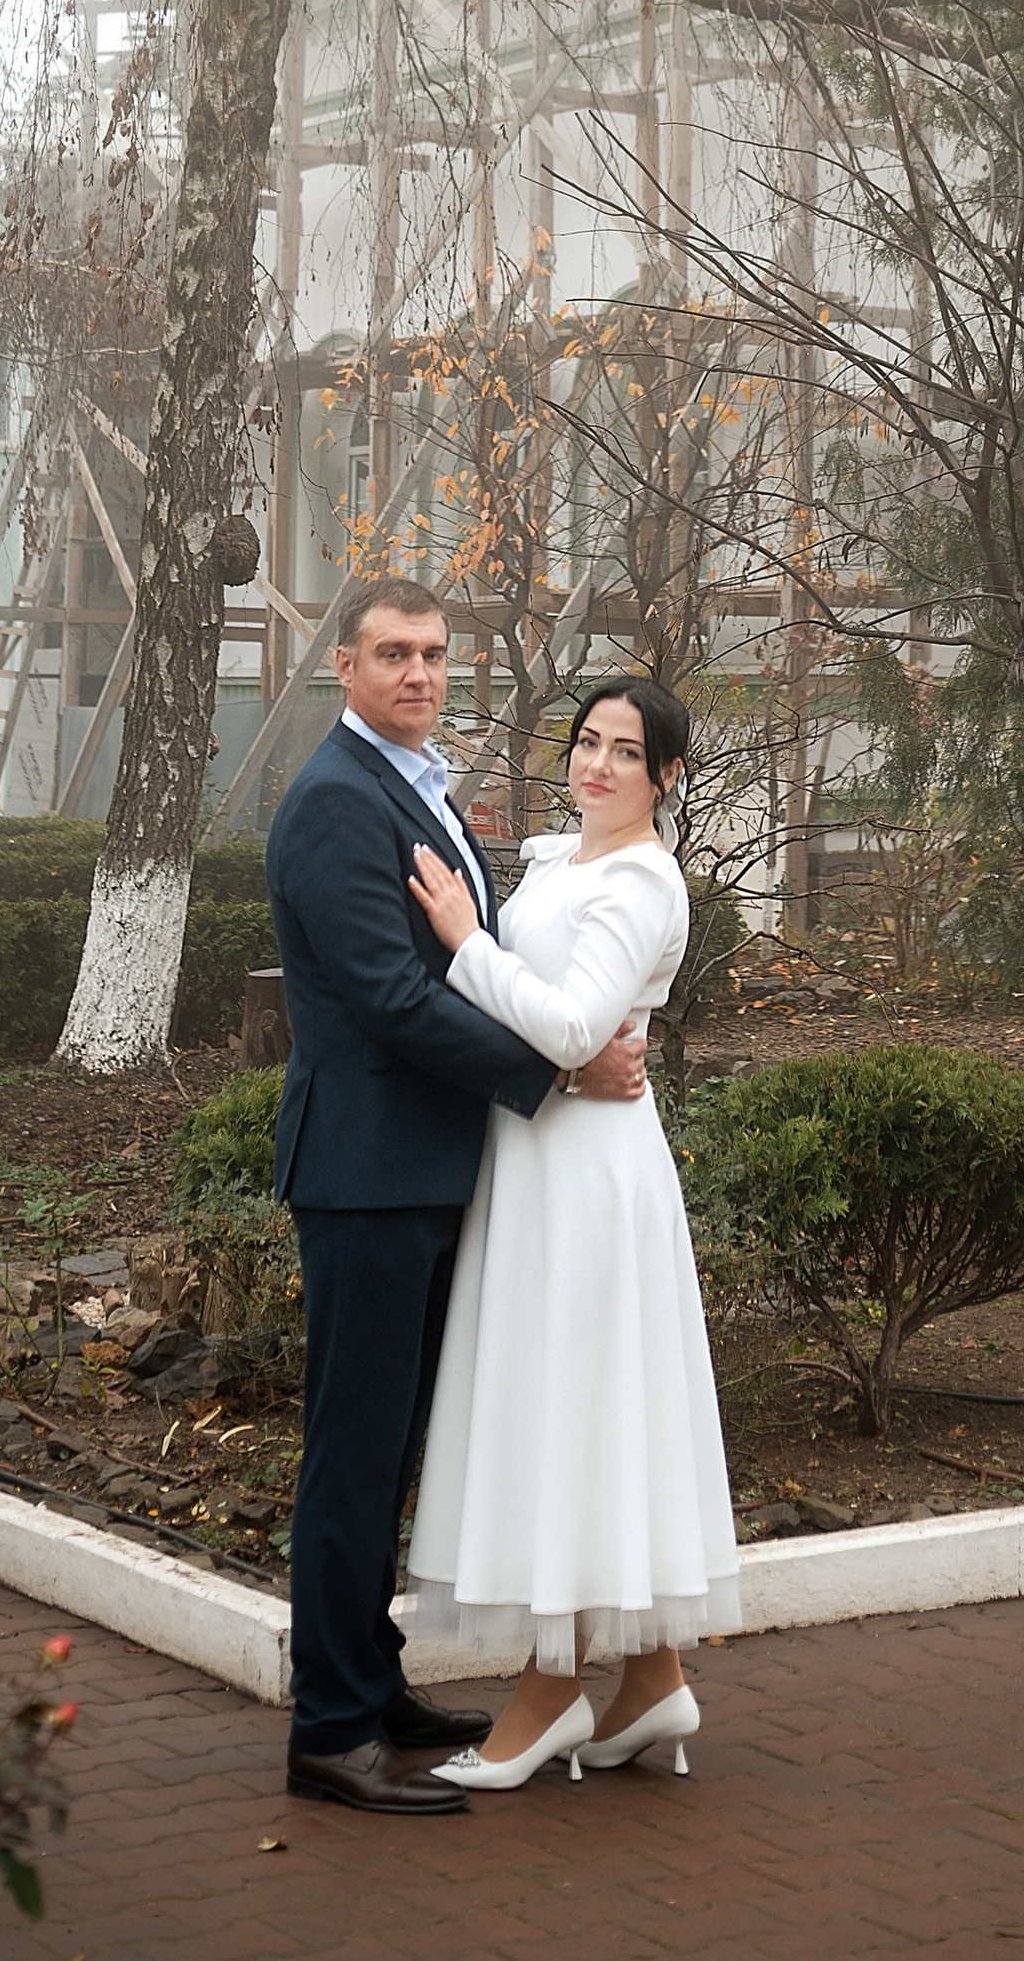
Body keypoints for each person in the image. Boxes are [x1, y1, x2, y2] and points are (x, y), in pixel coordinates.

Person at [264, 578, 651, 1817]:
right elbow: (389, 995)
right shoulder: (336, 800)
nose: (419, 674)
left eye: (433, 655)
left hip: (423, 1168)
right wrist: (559, 1067)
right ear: (344, 666)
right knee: (352, 1455)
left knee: (386, 1455)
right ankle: (328, 1729)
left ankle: (373, 1691)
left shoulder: (412, 781)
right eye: (393, 654)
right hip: (368, 1173)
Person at [401, 674, 740, 1791]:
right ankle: (650, 1680)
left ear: (666, 776)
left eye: (625, 752)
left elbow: (570, 1024)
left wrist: (459, 937)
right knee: (588, 1408)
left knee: (575, 1408)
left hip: (588, 1175)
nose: (595, 764)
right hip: (542, 1155)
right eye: (586, 741)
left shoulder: (641, 880)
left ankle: (550, 1693)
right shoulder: (569, 859)